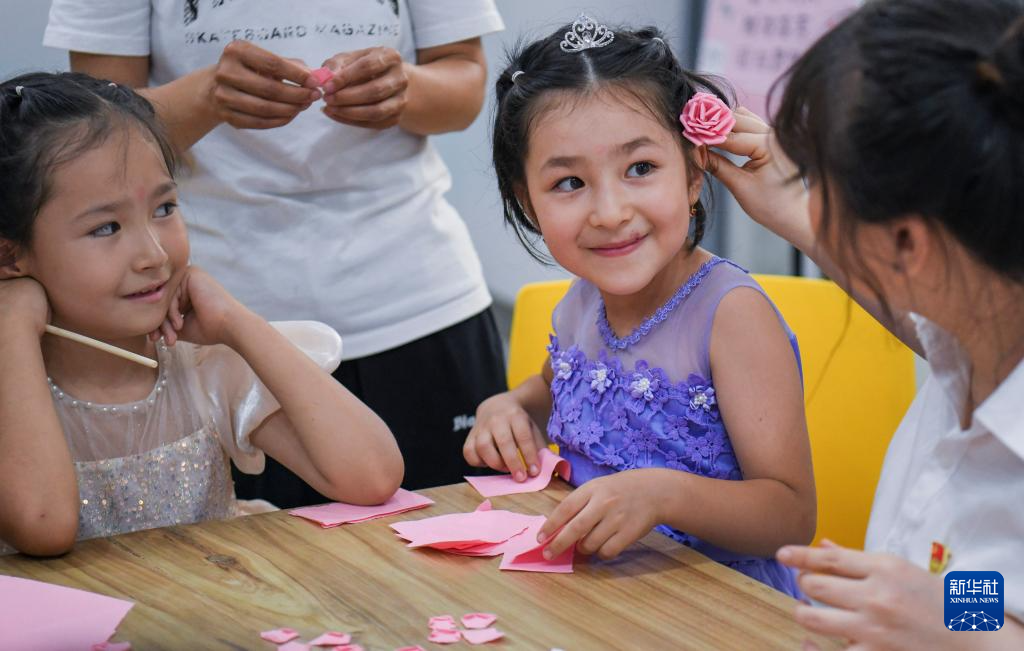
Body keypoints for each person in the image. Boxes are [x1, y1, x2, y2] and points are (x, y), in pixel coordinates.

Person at [43, 0, 507, 501]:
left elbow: (465, 81)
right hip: (210, 322)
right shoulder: (216, 375)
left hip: (419, 298)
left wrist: (405, 87)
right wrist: (205, 97)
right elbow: (94, 131)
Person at [463, 17, 816, 597]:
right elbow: (551, 388)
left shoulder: (731, 315)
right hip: (603, 598)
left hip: (723, 607)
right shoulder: (578, 304)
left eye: (641, 169)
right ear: (527, 202)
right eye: (569, 183)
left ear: (694, 171)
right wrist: (510, 406)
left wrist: (664, 494)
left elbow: (791, 516)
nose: (610, 212)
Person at [709, 0, 1024, 645]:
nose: (808, 196)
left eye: (818, 179)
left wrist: (958, 620)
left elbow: (989, 607)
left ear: (907, 244)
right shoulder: (973, 331)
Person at [0, 72, 403, 556]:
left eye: (164, 208)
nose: (153, 255)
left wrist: (235, 323)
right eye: (106, 228)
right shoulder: (11, 383)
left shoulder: (200, 365)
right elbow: (43, 527)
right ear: (9, 256)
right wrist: (11, 327)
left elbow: (373, 476)